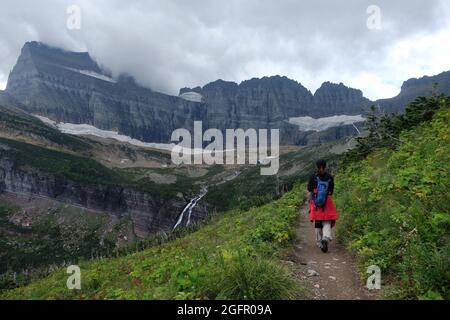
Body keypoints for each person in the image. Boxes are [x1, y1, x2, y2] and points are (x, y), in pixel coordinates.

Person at [307, 159, 339, 253]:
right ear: (325, 166)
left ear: (316, 166)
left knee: (318, 222)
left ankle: (320, 242)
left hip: (316, 201)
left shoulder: (313, 176)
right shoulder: (329, 177)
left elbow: (309, 189)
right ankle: (326, 238)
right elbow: (331, 190)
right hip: (327, 201)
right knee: (327, 221)